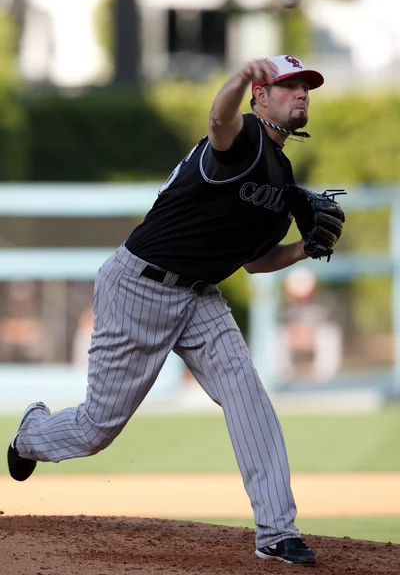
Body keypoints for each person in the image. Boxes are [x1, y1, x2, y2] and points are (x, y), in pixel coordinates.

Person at [7, 54, 343, 567]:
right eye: (289, 85)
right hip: (138, 285)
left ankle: (277, 531)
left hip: (198, 296)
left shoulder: (280, 172)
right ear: (260, 95)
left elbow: (254, 263)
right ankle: (31, 433)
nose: (301, 93)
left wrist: (304, 249)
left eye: (305, 86)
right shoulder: (244, 141)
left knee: (248, 397)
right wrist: (235, 79)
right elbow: (216, 123)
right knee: (98, 428)